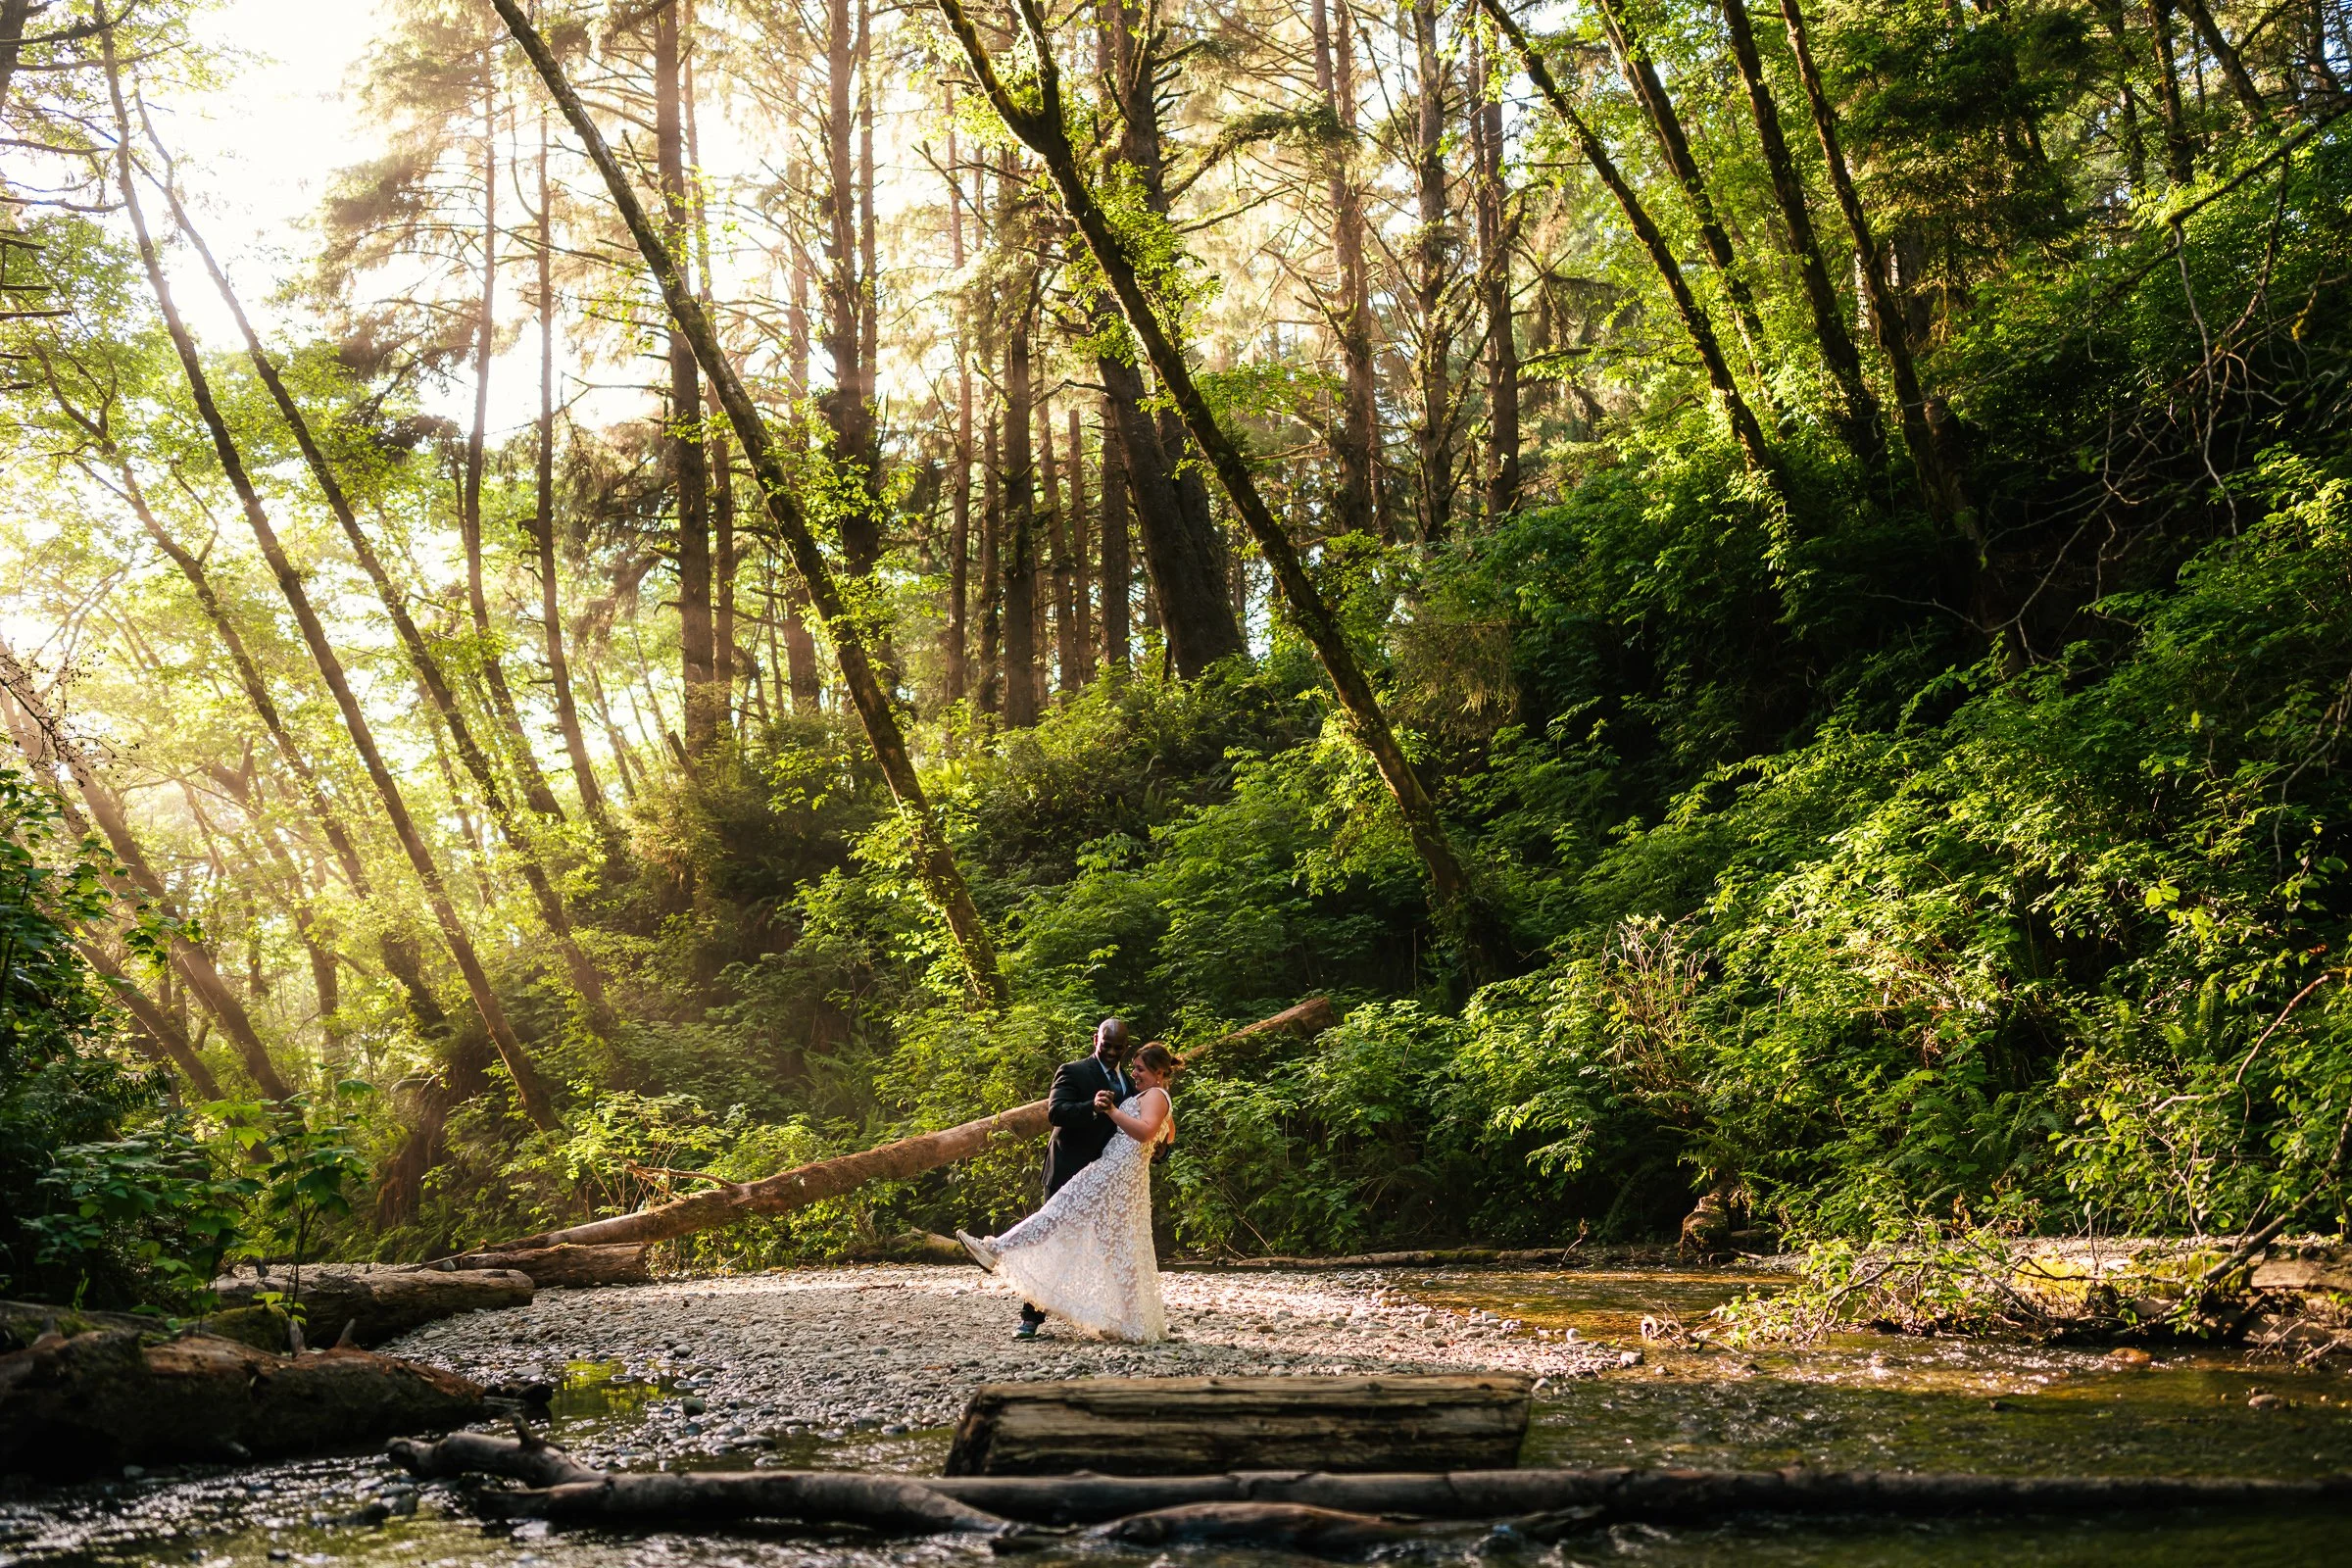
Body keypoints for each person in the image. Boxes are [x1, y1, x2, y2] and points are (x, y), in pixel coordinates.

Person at [959, 1041, 1180, 1344]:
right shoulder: (1143, 1090)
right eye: (1134, 1068)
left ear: (1157, 1072)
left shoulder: (1153, 1093)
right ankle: (1132, 1322)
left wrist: (1116, 1112)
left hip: (1113, 1174)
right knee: (1118, 1250)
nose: (1134, 1072)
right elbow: (1167, 1132)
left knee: (1058, 1213)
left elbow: (1146, 1132)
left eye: (1140, 1068)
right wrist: (1157, 1146)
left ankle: (996, 1249)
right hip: (1115, 1173)